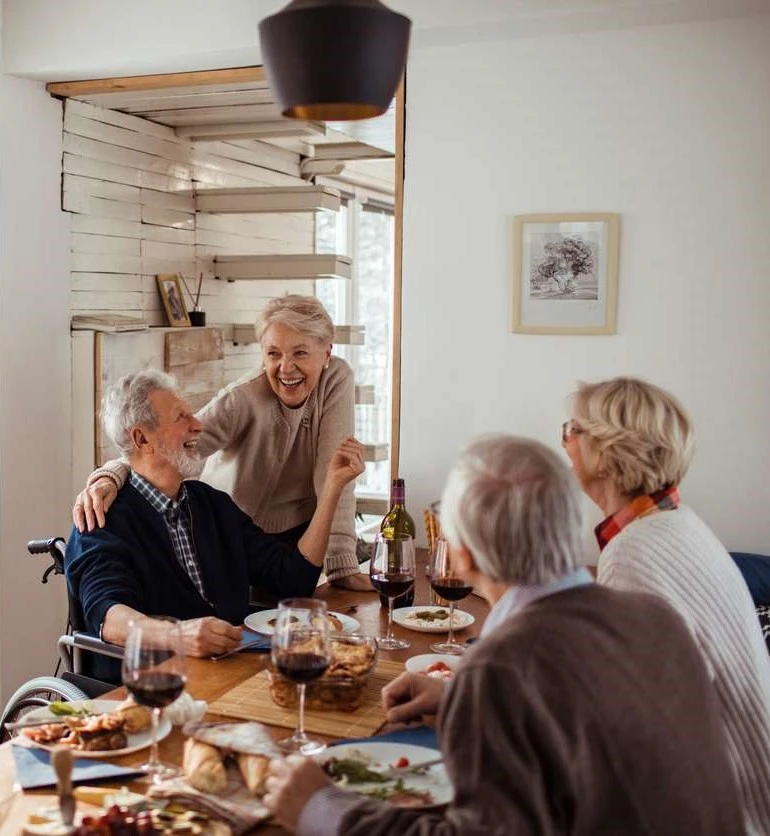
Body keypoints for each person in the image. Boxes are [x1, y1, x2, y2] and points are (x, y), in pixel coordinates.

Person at [262, 435, 742, 836]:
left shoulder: (501, 669)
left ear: (462, 556)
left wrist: (321, 807)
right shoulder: (655, 616)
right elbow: (582, 732)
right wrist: (458, 699)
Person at [562, 376, 770, 835]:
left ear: (605, 452)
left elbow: (625, 727)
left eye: (572, 430)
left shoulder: (636, 548)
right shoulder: (674, 523)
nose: (566, 443)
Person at [64, 370, 364, 683]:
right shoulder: (101, 518)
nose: (198, 424)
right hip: (151, 689)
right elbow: (109, 616)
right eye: (181, 416)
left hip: (231, 677)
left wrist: (332, 488)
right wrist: (178, 635)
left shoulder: (210, 504)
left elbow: (294, 578)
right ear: (142, 439)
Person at [73, 295, 370, 590]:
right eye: (273, 354)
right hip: (240, 534)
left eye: (300, 353)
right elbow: (165, 445)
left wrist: (342, 562)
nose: (285, 367)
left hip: (299, 538)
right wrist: (111, 474)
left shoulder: (336, 380)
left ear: (327, 353)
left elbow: (333, 473)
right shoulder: (243, 397)